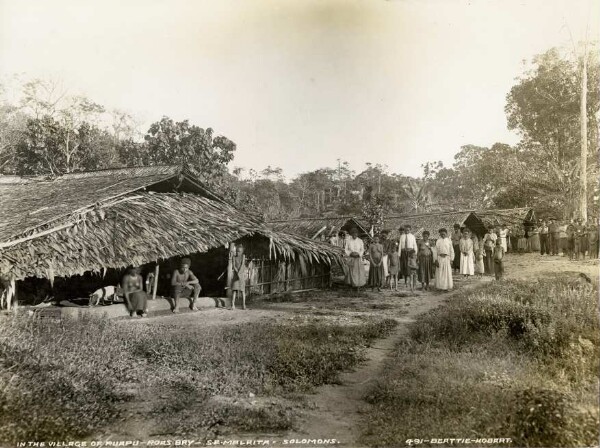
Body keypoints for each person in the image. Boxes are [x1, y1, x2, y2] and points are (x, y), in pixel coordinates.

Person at [344, 227, 366, 292]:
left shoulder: (360, 241)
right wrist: (350, 253)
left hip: (358, 258)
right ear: (351, 234)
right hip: (351, 258)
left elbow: (362, 249)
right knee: (351, 272)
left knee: (358, 272)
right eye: (353, 233)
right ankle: (351, 286)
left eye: (355, 234)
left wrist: (358, 254)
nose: (354, 235)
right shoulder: (348, 241)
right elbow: (346, 249)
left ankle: (357, 287)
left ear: (357, 234)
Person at [231, 245, 247, 310]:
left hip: (241, 275)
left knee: (242, 290)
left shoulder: (243, 256)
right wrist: (237, 272)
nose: (238, 253)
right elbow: (234, 265)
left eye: (239, 251)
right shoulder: (234, 257)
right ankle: (232, 305)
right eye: (237, 251)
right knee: (234, 290)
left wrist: (240, 273)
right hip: (236, 275)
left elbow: (242, 264)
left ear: (242, 252)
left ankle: (243, 305)